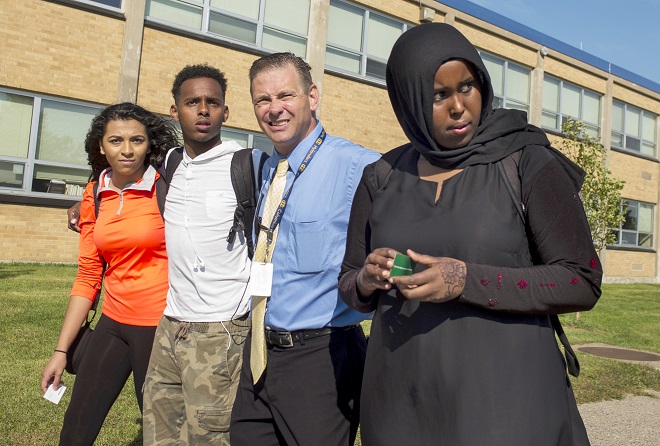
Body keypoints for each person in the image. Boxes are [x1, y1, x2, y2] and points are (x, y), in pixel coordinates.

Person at [338, 23, 602, 446]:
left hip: (508, 407)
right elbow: (350, 283)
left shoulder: (525, 161)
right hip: (402, 405)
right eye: (438, 95)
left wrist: (465, 280)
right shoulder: (382, 176)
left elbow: (581, 280)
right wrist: (367, 280)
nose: (459, 106)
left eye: (467, 86)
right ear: (408, 100)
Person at [230, 52, 380, 446]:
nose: (274, 109)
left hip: (320, 359)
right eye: (262, 100)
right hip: (259, 354)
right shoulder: (266, 171)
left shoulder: (359, 166)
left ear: (312, 97)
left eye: (285, 96)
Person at [41, 102, 179, 445]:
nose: (127, 150)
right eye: (116, 140)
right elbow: (88, 275)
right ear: (101, 147)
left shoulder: (168, 188)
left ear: (150, 145)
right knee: (77, 427)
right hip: (113, 323)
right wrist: (61, 351)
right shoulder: (94, 195)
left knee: (161, 433)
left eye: (137, 140)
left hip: (160, 328)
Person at [141, 64, 258, 445]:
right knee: (160, 431)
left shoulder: (246, 164)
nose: (203, 110)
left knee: (209, 436)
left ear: (226, 112)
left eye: (213, 102)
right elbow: (119, 165)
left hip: (220, 330)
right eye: (192, 102)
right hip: (171, 325)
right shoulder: (171, 163)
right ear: (176, 112)